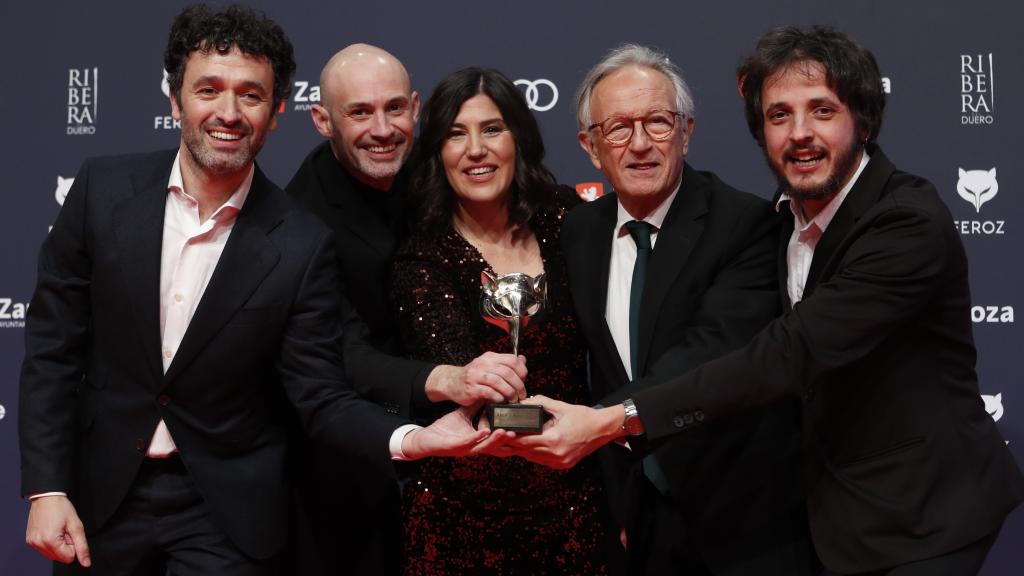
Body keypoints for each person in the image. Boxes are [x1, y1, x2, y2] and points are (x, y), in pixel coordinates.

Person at [515, 27, 1024, 576]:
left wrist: (615, 420)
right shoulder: (783, 220)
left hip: (922, 516)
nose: (800, 133)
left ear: (863, 119)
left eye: (822, 110)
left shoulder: (905, 223)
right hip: (827, 514)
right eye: (779, 115)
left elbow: (787, 352)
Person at [19, 6, 503, 575]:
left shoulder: (301, 240)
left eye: (251, 95)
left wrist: (409, 439)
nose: (229, 112)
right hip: (99, 499)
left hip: (225, 516)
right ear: (175, 100)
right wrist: (47, 489)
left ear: (276, 113)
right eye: (209, 90)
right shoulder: (101, 191)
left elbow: (320, 393)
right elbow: (53, 352)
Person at [532, 44, 814, 575]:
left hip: (745, 518)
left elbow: (708, 355)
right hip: (641, 523)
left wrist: (599, 423)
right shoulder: (580, 232)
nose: (640, 145)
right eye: (617, 129)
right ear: (590, 147)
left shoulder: (744, 224)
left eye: (658, 123)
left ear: (686, 132)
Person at [285, 44, 527, 575]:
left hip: (474, 460)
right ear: (323, 120)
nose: (382, 128)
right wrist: (448, 381)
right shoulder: (302, 224)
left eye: (395, 108)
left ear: (417, 108)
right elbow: (339, 353)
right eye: (359, 113)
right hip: (355, 473)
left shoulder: (434, 166)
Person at [390, 68, 615, 575]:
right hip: (461, 519)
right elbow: (460, 380)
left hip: (575, 499)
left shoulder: (566, 219)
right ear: (437, 153)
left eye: (492, 129)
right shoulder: (423, 256)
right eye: (455, 133)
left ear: (519, 137)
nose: (476, 150)